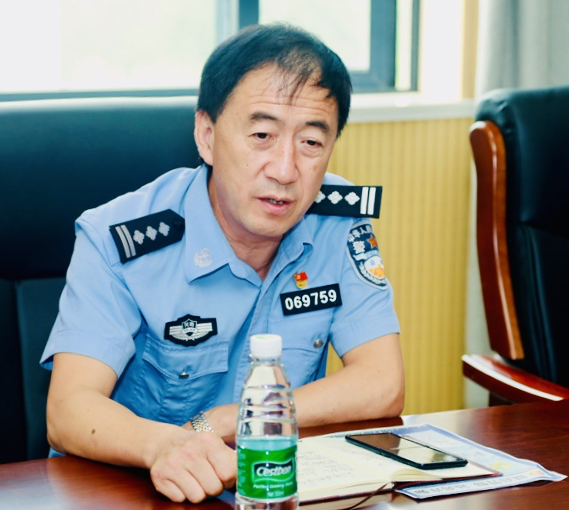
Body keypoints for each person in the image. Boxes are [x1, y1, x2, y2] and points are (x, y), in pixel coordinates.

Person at [41, 23, 404, 503]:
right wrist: (166, 445)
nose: (285, 170)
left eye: (311, 143)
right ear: (207, 136)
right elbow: (68, 410)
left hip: (270, 489)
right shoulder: (120, 239)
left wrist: (228, 420)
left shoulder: (337, 223)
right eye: (262, 135)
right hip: (133, 492)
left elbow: (382, 383)